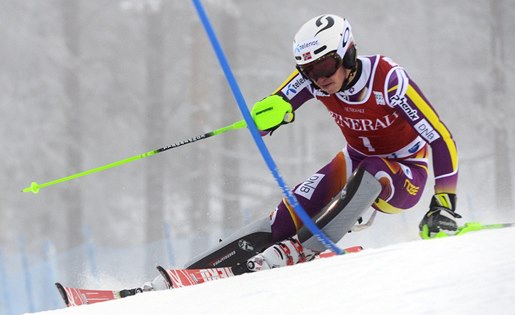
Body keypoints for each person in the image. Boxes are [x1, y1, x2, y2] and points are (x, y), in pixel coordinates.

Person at [134, 13, 460, 293]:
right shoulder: (313, 80)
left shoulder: (388, 80)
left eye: (327, 66)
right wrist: (269, 114)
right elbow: (279, 103)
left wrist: (444, 202)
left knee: (373, 168)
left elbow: (441, 138)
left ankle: (300, 250)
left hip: (404, 173)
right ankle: (183, 275)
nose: (320, 78)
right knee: (287, 214)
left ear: (347, 54)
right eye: (309, 71)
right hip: (354, 161)